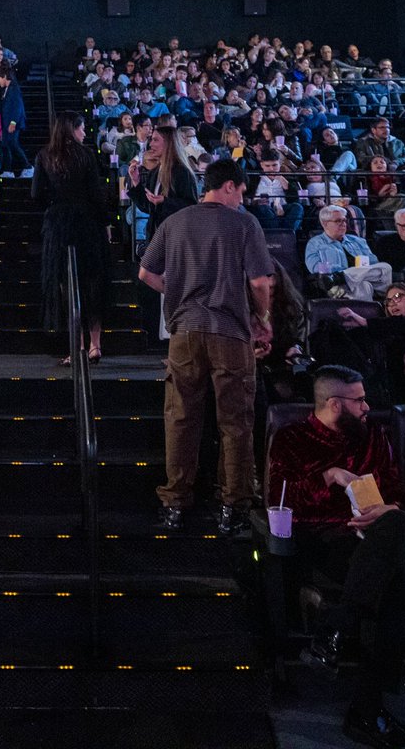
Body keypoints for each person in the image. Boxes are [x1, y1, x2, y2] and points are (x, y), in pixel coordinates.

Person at [267, 365, 405, 749]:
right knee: (401, 584)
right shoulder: (293, 438)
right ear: (335, 404)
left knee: (399, 523)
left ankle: (336, 627)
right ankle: (366, 710)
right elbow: (282, 501)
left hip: (376, 537)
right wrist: (328, 476)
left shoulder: (373, 437)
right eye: (359, 401)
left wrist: (388, 508)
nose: (367, 407)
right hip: (326, 539)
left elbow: (399, 495)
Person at [138, 158, 273, 536]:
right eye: (242, 192)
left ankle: (175, 503)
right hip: (230, 331)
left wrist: (177, 294)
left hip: (183, 333)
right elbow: (261, 282)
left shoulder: (175, 221)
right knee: (235, 422)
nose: (242, 200)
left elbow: (146, 273)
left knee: (180, 418)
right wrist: (262, 320)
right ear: (229, 186)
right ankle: (234, 505)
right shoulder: (244, 223)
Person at [32, 112, 111, 363]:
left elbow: (36, 195)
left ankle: (76, 347)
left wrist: (55, 204)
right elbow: (96, 193)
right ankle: (95, 345)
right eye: (82, 128)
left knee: (66, 285)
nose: (85, 133)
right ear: (72, 129)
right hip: (86, 222)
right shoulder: (86, 155)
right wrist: (105, 221)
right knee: (92, 282)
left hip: (58, 225)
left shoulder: (44, 156)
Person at [127, 125, 198, 247]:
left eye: (155, 140)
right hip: (156, 237)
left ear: (168, 143)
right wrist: (136, 181)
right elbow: (146, 206)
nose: (151, 145)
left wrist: (164, 201)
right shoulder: (155, 172)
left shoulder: (182, 172)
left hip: (176, 238)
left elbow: (190, 206)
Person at [305, 205, 393, 300]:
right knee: (363, 286)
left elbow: (374, 263)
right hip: (339, 286)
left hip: (365, 280)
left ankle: (341, 277)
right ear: (325, 224)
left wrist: (354, 273)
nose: (343, 224)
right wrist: (352, 271)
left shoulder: (358, 241)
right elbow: (314, 268)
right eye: (338, 221)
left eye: (344, 220)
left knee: (386, 267)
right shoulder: (315, 243)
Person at [0, 67, 32, 178]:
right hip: (7, 123)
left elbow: (17, 106)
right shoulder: (8, 89)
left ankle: (27, 166)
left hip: (12, 123)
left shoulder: (13, 88)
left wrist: (13, 122)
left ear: (5, 77)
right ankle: (8, 170)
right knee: (7, 145)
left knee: (12, 144)